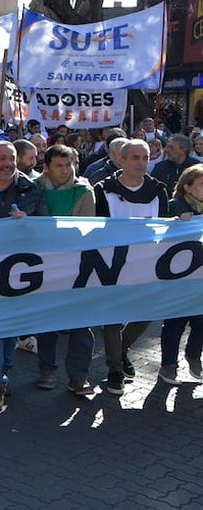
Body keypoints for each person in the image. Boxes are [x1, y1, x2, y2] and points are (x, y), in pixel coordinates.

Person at [0, 141, 48, 413]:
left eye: (12, 158)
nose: (7, 164)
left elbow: (46, 224)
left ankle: (2, 372)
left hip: (19, 270)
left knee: (10, 328)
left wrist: (29, 221)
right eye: (1, 159)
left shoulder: (30, 187)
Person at [94, 139, 170, 395]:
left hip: (147, 264)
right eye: (135, 157)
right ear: (121, 161)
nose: (141, 163)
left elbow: (165, 227)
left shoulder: (159, 190)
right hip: (112, 265)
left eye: (145, 157)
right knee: (112, 319)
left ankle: (122, 349)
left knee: (146, 313)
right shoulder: (102, 189)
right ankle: (115, 368)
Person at [29, 145, 97, 396]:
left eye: (69, 165)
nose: (65, 170)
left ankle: (78, 376)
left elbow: (86, 230)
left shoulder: (84, 191)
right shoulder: (32, 187)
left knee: (81, 323)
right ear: (46, 167)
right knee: (48, 322)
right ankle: (47, 370)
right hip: (43, 265)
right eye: (59, 165)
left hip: (75, 265)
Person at [159, 164, 203, 384]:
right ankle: (168, 365)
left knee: (201, 322)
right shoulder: (175, 206)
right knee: (175, 323)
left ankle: (194, 357)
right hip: (179, 277)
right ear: (187, 186)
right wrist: (176, 224)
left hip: (201, 279)